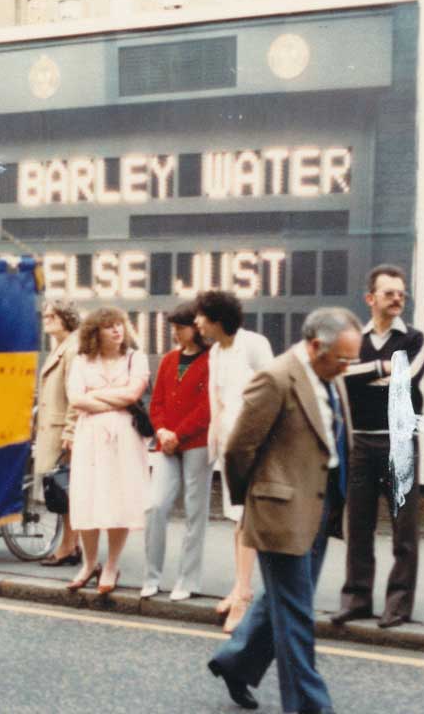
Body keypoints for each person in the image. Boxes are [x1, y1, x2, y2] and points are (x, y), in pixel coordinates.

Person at [207, 307, 360, 714]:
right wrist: (254, 504)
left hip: (322, 506)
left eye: (352, 358)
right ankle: (310, 706)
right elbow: (238, 448)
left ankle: (235, 663)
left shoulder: (331, 375)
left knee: (284, 601)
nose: (347, 367)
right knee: (296, 616)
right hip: (281, 512)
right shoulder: (275, 378)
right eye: (342, 358)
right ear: (314, 346)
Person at [329, 264, 424, 629]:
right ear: (370, 298)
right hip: (361, 443)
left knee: (404, 531)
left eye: (401, 293)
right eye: (389, 293)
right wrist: (381, 367)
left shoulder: (415, 338)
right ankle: (356, 600)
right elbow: (340, 375)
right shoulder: (356, 338)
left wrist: (371, 372)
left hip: (400, 443)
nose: (397, 298)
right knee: (358, 528)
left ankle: (398, 606)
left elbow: (407, 377)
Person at [196, 290, 274, 633]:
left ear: (216, 319)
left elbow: (274, 391)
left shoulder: (254, 344)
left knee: (246, 519)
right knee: (236, 519)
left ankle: (243, 597)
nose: (196, 322)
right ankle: (240, 585)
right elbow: (217, 399)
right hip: (229, 448)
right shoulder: (214, 352)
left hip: (256, 446)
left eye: (201, 317)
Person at [64, 307, 149, 596]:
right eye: (109, 326)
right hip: (89, 439)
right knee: (87, 499)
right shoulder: (81, 361)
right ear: (95, 332)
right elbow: (76, 399)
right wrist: (113, 400)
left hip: (125, 439)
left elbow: (132, 395)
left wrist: (94, 396)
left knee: (119, 500)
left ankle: (111, 565)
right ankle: (89, 564)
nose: (117, 331)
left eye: (120, 325)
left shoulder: (136, 359)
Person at [142, 302, 212, 601]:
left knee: (196, 514)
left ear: (195, 329)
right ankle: (151, 577)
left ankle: (188, 581)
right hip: (166, 444)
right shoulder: (169, 360)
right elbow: (156, 402)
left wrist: (178, 433)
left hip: (196, 443)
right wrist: (161, 431)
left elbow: (207, 407)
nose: (175, 333)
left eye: (179, 328)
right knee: (155, 506)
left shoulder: (212, 359)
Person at [35, 298, 83, 567]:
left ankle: (69, 548)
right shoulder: (63, 347)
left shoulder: (73, 349)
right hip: (55, 430)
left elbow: (75, 395)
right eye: (45, 315)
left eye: (52, 315)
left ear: (66, 317)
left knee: (66, 491)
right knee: (64, 491)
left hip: (62, 432)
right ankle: (70, 545)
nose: (46, 319)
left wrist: (71, 431)